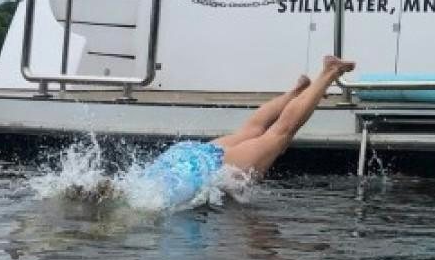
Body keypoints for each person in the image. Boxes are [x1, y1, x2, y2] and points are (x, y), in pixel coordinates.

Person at [135, 56, 355, 208]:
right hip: (187, 155)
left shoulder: (146, 205)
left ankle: (329, 72)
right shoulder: (135, 192)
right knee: (252, 130)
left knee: (280, 133)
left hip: (211, 170)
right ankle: (296, 93)